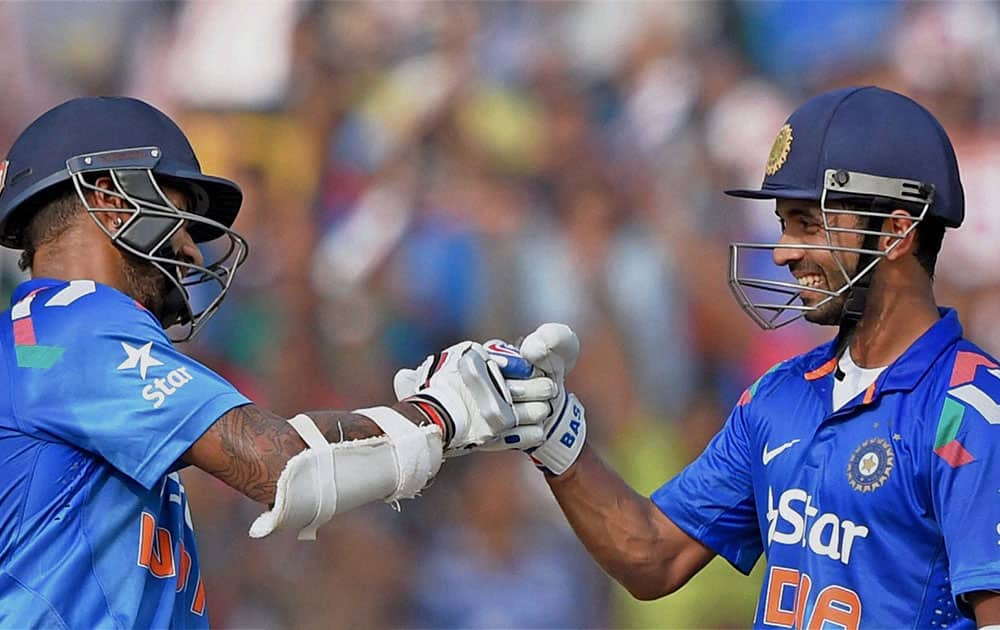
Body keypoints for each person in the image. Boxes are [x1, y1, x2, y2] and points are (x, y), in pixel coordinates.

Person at [0, 96, 556, 628]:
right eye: (178, 212)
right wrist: (442, 415)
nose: (193, 251)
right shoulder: (71, 323)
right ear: (109, 199)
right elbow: (284, 466)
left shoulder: (43, 341)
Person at [486, 87, 1000, 628]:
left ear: (897, 231)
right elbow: (653, 556)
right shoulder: (778, 397)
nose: (783, 251)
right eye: (783, 223)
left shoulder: (972, 414)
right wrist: (552, 435)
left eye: (809, 223)